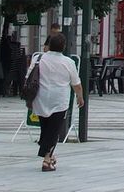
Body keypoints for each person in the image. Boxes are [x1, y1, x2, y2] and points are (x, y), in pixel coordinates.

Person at [29, 33, 83, 172]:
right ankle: (46, 160)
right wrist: (80, 97)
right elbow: (76, 83)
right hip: (59, 101)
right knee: (53, 131)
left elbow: (28, 76)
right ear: (63, 47)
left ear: (49, 44)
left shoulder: (38, 58)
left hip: (40, 98)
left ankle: (49, 154)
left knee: (45, 128)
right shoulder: (68, 62)